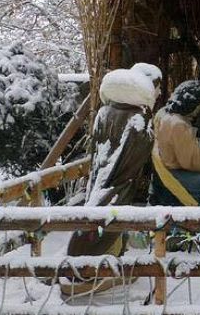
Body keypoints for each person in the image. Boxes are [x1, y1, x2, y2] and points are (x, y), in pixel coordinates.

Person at [63, 64, 158, 297]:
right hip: (119, 186)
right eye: (156, 87)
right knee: (109, 223)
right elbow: (138, 158)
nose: (158, 93)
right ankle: (96, 269)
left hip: (101, 184)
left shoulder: (104, 113)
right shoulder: (138, 120)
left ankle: (90, 264)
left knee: (96, 215)